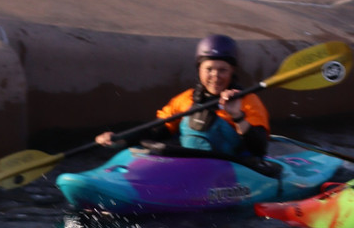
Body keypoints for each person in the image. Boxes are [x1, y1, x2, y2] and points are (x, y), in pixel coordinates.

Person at [95, 34, 270, 158]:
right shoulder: (186, 99)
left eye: (223, 70)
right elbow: (157, 130)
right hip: (192, 167)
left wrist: (237, 116)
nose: (215, 76)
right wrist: (122, 139)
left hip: (233, 170)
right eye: (209, 69)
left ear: (232, 71)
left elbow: (260, 148)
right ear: (199, 70)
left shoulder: (247, 101)